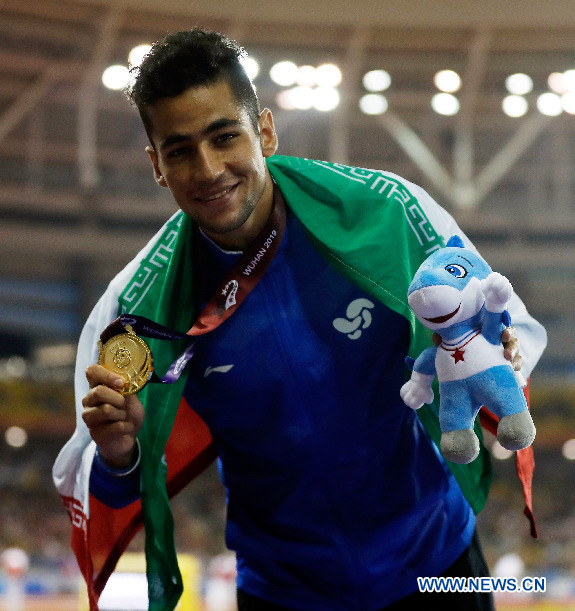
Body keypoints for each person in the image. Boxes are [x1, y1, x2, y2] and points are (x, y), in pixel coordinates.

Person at [53, 29, 547, 611]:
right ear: (156, 165)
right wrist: (119, 455)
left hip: (435, 564)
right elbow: (111, 487)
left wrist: (501, 352)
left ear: (265, 130)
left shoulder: (386, 213)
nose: (208, 169)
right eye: (180, 150)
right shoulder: (138, 307)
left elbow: (500, 325)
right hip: (282, 591)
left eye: (224, 136)